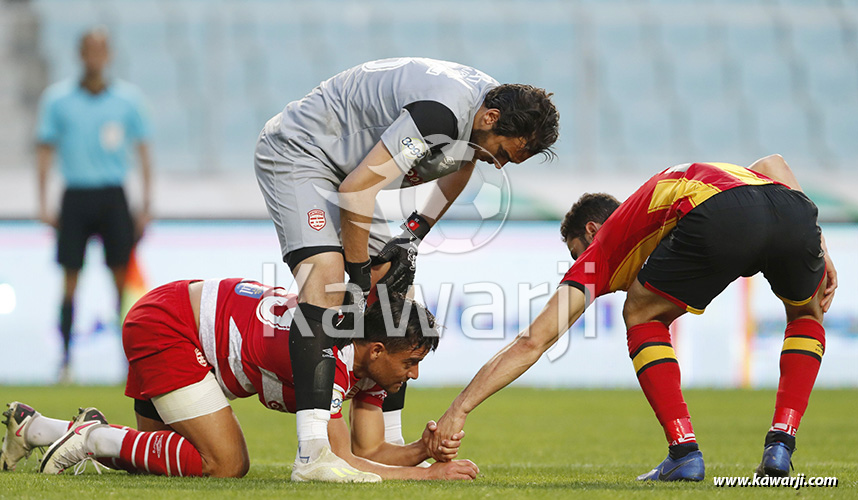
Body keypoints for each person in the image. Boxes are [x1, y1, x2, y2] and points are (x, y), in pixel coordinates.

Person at [429, 155, 837, 481]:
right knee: (806, 312)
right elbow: (774, 165)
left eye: (576, 252)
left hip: (723, 212)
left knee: (641, 314)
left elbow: (532, 342)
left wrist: (459, 410)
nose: (579, 263)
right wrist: (818, 241)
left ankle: (683, 452)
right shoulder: (657, 207)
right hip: (794, 211)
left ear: (591, 231)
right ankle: (781, 442)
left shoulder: (602, 249)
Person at [254, 56, 559, 479]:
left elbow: (464, 163)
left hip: (347, 172)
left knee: (397, 297)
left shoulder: (488, 107)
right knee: (325, 280)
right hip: (300, 154)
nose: (501, 165)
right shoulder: (442, 113)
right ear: (491, 118)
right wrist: (358, 278)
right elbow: (357, 191)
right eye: (504, 153)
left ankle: (385, 443)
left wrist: (413, 236)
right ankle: (313, 454)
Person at [0, 279, 478, 481]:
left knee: (169, 462)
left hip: (189, 328)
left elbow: (369, 453)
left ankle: (38, 428)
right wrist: (427, 476)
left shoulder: (369, 365)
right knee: (226, 464)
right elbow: (337, 464)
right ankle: (92, 436)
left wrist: (421, 450)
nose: (413, 374)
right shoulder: (327, 359)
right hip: (169, 324)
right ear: (376, 349)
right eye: (410, 361)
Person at [36, 28, 153, 383]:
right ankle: (66, 359)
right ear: (80, 54)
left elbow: (143, 150)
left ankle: (128, 362)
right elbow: (44, 149)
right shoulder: (58, 100)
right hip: (75, 195)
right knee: (70, 280)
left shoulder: (128, 100)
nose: (95, 57)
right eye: (89, 50)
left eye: (100, 50)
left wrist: (146, 203)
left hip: (113, 196)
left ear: (109, 54)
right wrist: (42, 201)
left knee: (121, 283)